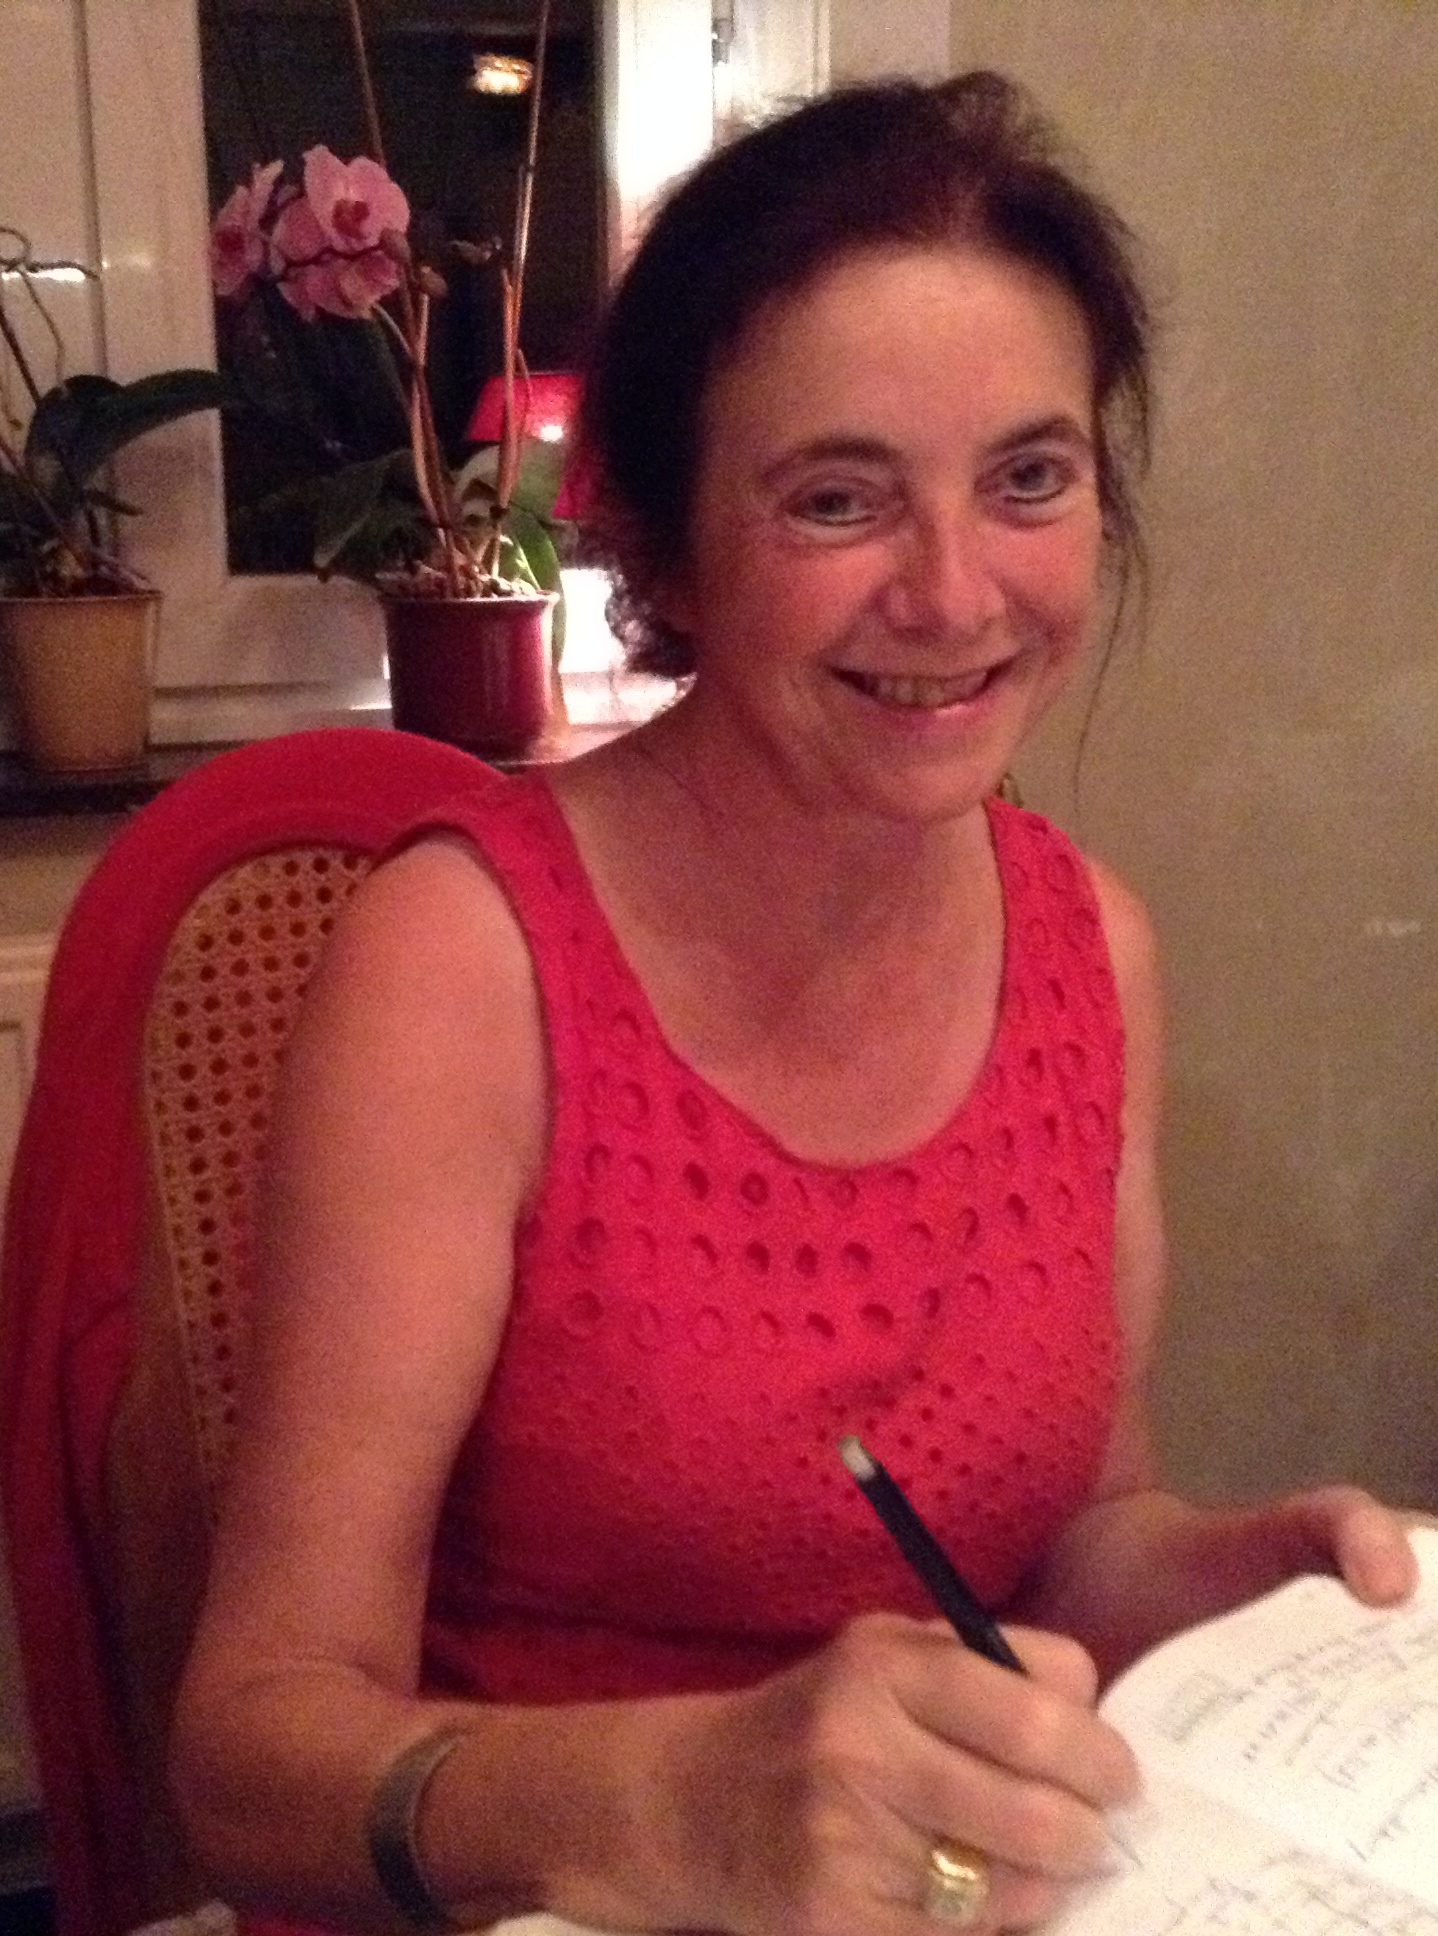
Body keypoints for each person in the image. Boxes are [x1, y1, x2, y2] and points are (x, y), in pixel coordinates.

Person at [172, 72, 1418, 1936]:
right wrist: (670, 1799)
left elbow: (1069, 1533)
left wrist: (1246, 1580)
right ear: (667, 552)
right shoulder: (465, 966)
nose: (953, 594)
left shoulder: (1095, 949)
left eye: (1027, 479)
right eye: (837, 500)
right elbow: (246, 1761)